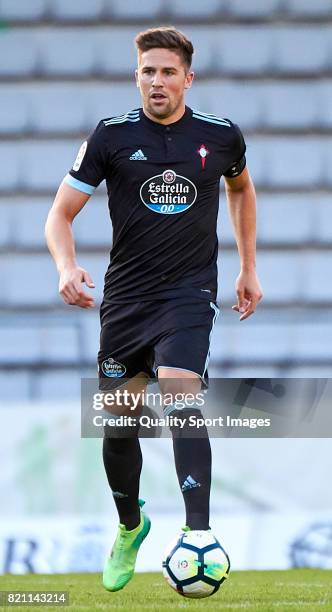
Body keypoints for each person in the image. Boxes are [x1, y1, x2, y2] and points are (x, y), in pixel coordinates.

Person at [45, 26, 263, 592]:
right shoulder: (110, 136)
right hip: (125, 301)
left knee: (179, 386)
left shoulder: (219, 137)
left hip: (188, 294)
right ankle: (130, 524)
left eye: (168, 72)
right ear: (135, 75)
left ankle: (198, 534)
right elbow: (59, 214)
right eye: (148, 71)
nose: (157, 81)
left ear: (188, 78)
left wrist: (247, 267)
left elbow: (242, 189)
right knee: (120, 426)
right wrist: (67, 268)